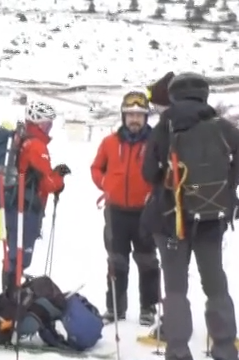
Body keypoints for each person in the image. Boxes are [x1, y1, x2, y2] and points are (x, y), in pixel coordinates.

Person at [140, 72, 239, 360]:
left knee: (176, 288)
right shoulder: (220, 125)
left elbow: (148, 172)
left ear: (175, 95)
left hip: (170, 219)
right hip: (212, 218)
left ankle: (178, 351)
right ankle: (225, 348)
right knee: (215, 283)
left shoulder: (164, 126)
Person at [90, 91, 160, 326]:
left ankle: (148, 308)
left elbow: (165, 172)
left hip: (146, 212)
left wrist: (157, 192)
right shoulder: (110, 142)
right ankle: (115, 308)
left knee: (147, 261)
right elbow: (96, 168)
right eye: (130, 114)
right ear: (123, 115)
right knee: (116, 261)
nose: (134, 119)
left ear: (146, 117)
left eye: (139, 115)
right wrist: (105, 185)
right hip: (116, 212)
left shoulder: (155, 143)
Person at [2, 100, 68, 292]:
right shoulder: (37, 146)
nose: (49, 128)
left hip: (16, 204)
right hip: (27, 207)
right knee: (22, 256)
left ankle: (10, 292)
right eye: (48, 124)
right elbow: (47, 183)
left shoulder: (23, 139)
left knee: (14, 254)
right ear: (39, 123)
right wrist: (60, 177)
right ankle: (12, 296)